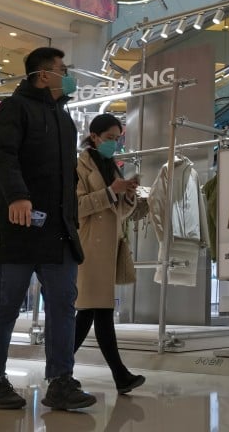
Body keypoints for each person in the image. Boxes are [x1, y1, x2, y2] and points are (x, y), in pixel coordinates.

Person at [0, 47, 95, 411]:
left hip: (58, 230)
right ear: (44, 75)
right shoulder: (14, 108)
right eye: (64, 69)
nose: (69, 75)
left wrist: (71, 219)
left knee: (63, 303)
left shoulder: (63, 118)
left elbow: (66, 179)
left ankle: (61, 380)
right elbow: (3, 155)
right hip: (18, 225)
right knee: (6, 304)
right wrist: (17, 196)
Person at [72, 114, 146, 395]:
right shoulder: (78, 164)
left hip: (107, 248)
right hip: (89, 246)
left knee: (93, 312)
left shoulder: (111, 166)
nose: (114, 144)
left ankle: (60, 368)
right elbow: (76, 206)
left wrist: (127, 195)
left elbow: (118, 214)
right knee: (95, 311)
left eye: (118, 139)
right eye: (110, 138)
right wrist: (110, 192)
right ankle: (118, 375)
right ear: (94, 137)